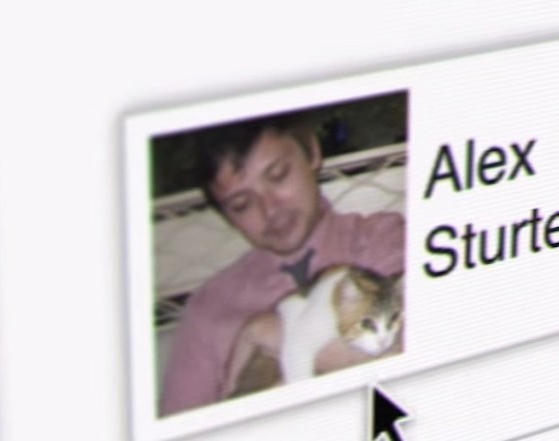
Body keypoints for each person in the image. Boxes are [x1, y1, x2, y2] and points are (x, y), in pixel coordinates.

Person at [159, 113, 405, 416]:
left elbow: (415, 348)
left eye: (277, 176)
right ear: (227, 218)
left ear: (311, 152)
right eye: (242, 204)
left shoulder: (383, 240)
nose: (270, 209)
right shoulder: (209, 308)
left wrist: (269, 332)